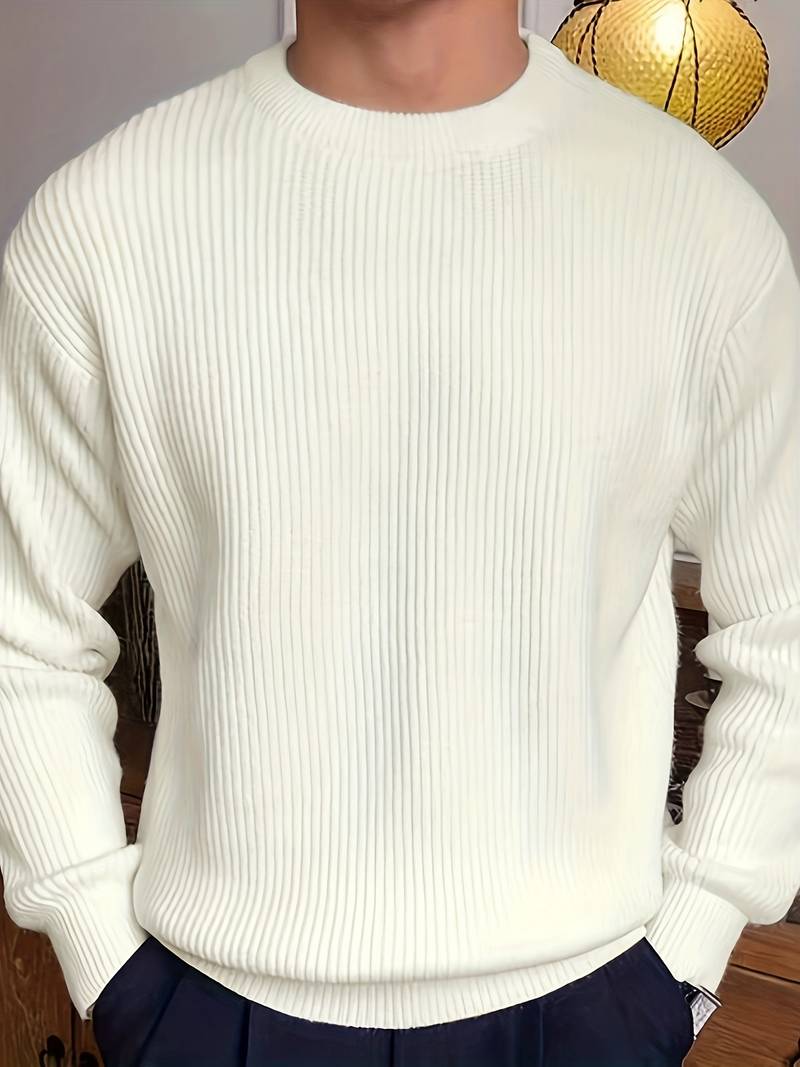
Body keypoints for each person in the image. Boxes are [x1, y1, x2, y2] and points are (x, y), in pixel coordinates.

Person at [0, 0, 798, 1064]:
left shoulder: (700, 227)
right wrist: (100, 947)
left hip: (588, 999)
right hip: (211, 1000)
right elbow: (20, 627)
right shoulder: (102, 221)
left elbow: (785, 621)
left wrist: (692, 939)